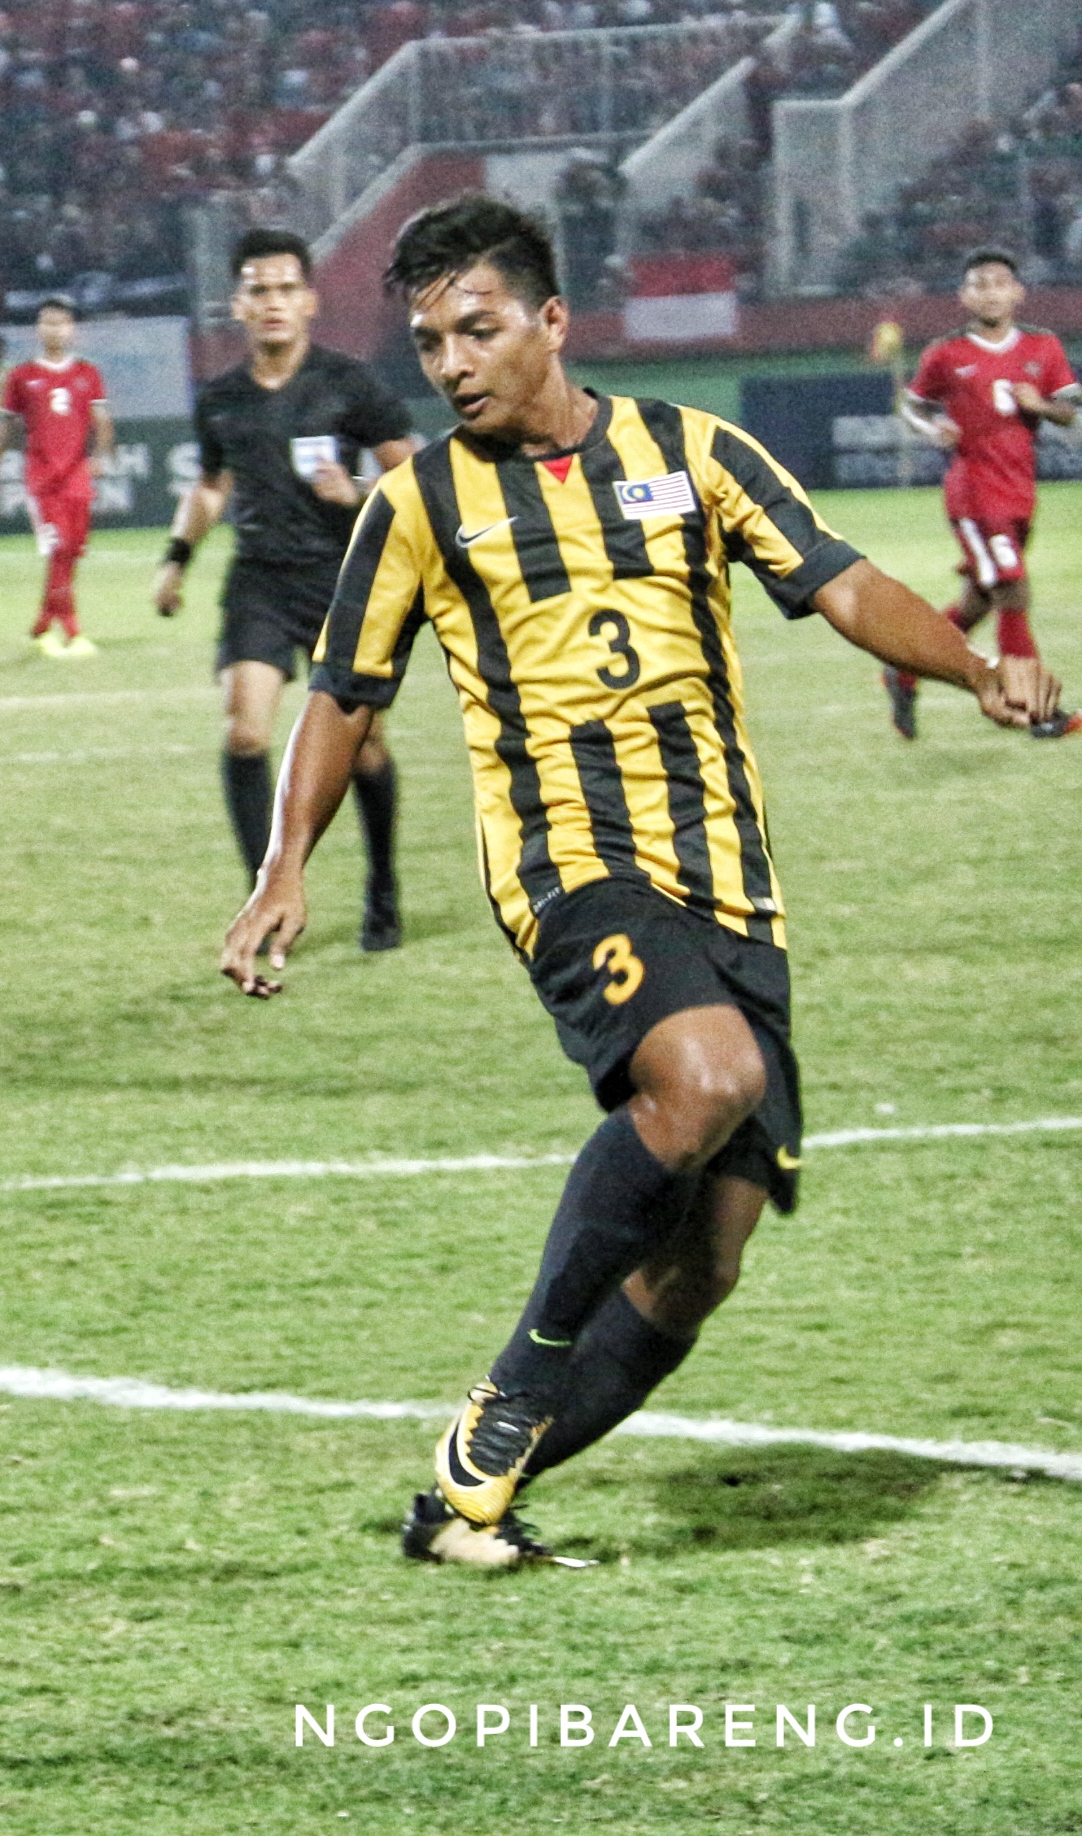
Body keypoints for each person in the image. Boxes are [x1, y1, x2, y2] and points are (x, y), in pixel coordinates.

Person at [219, 197, 1056, 1569]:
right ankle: (511, 1386)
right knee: (705, 1077)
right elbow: (344, 692)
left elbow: (837, 582)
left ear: (552, 322)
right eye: (429, 343)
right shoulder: (418, 503)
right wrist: (281, 874)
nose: (452, 363)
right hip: (567, 868)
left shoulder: (693, 453)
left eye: (476, 329)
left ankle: (461, 1504)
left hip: (727, 879)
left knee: (698, 1264)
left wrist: (973, 670)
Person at [154, 228, 421, 945]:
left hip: (340, 583)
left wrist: (355, 487)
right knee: (244, 732)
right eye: (256, 291)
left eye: (283, 290)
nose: (271, 303)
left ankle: (382, 888)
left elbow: (415, 477)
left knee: (361, 751)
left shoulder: (349, 385)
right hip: (258, 580)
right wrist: (176, 557)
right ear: (236, 305)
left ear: (308, 301)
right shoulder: (220, 399)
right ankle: (264, 898)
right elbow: (211, 489)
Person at [887, 248, 1082, 740]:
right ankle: (1036, 710)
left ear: (1017, 292)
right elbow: (911, 405)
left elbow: (1071, 410)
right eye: (978, 284)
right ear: (964, 295)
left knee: (978, 602)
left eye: (998, 283)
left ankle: (904, 668)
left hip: (1019, 491)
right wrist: (932, 431)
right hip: (975, 495)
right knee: (1014, 590)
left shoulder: (1043, 345)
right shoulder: (947, 352)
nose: (989, 292)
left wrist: (1040, 404)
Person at [0, 299, 117, 657]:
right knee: (57, 550)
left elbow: (102, 422)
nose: (53, 329)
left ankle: (41, 626)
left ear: (72, 329)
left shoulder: (88, 373)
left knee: (70, 553)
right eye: (46, 323)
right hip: (42, 480)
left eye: (60, 323)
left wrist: (100, 457)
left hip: (77, 478)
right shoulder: (22, 377)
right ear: (37, 329)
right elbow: (3, 429)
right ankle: (72, 631)